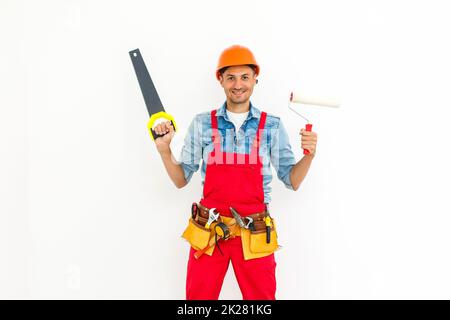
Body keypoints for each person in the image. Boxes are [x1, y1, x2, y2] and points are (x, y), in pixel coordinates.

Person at [152, 45, 317, 300]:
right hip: (209, 231)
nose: (238, 84)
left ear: (254, 80)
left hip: (255, 233)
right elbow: (181, 179)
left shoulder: (271, 126)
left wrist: (309, 156)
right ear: (221, 80)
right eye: (231, 77)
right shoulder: (203, 123)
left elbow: (292, 180)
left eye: (244, 77)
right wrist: (164, 151)